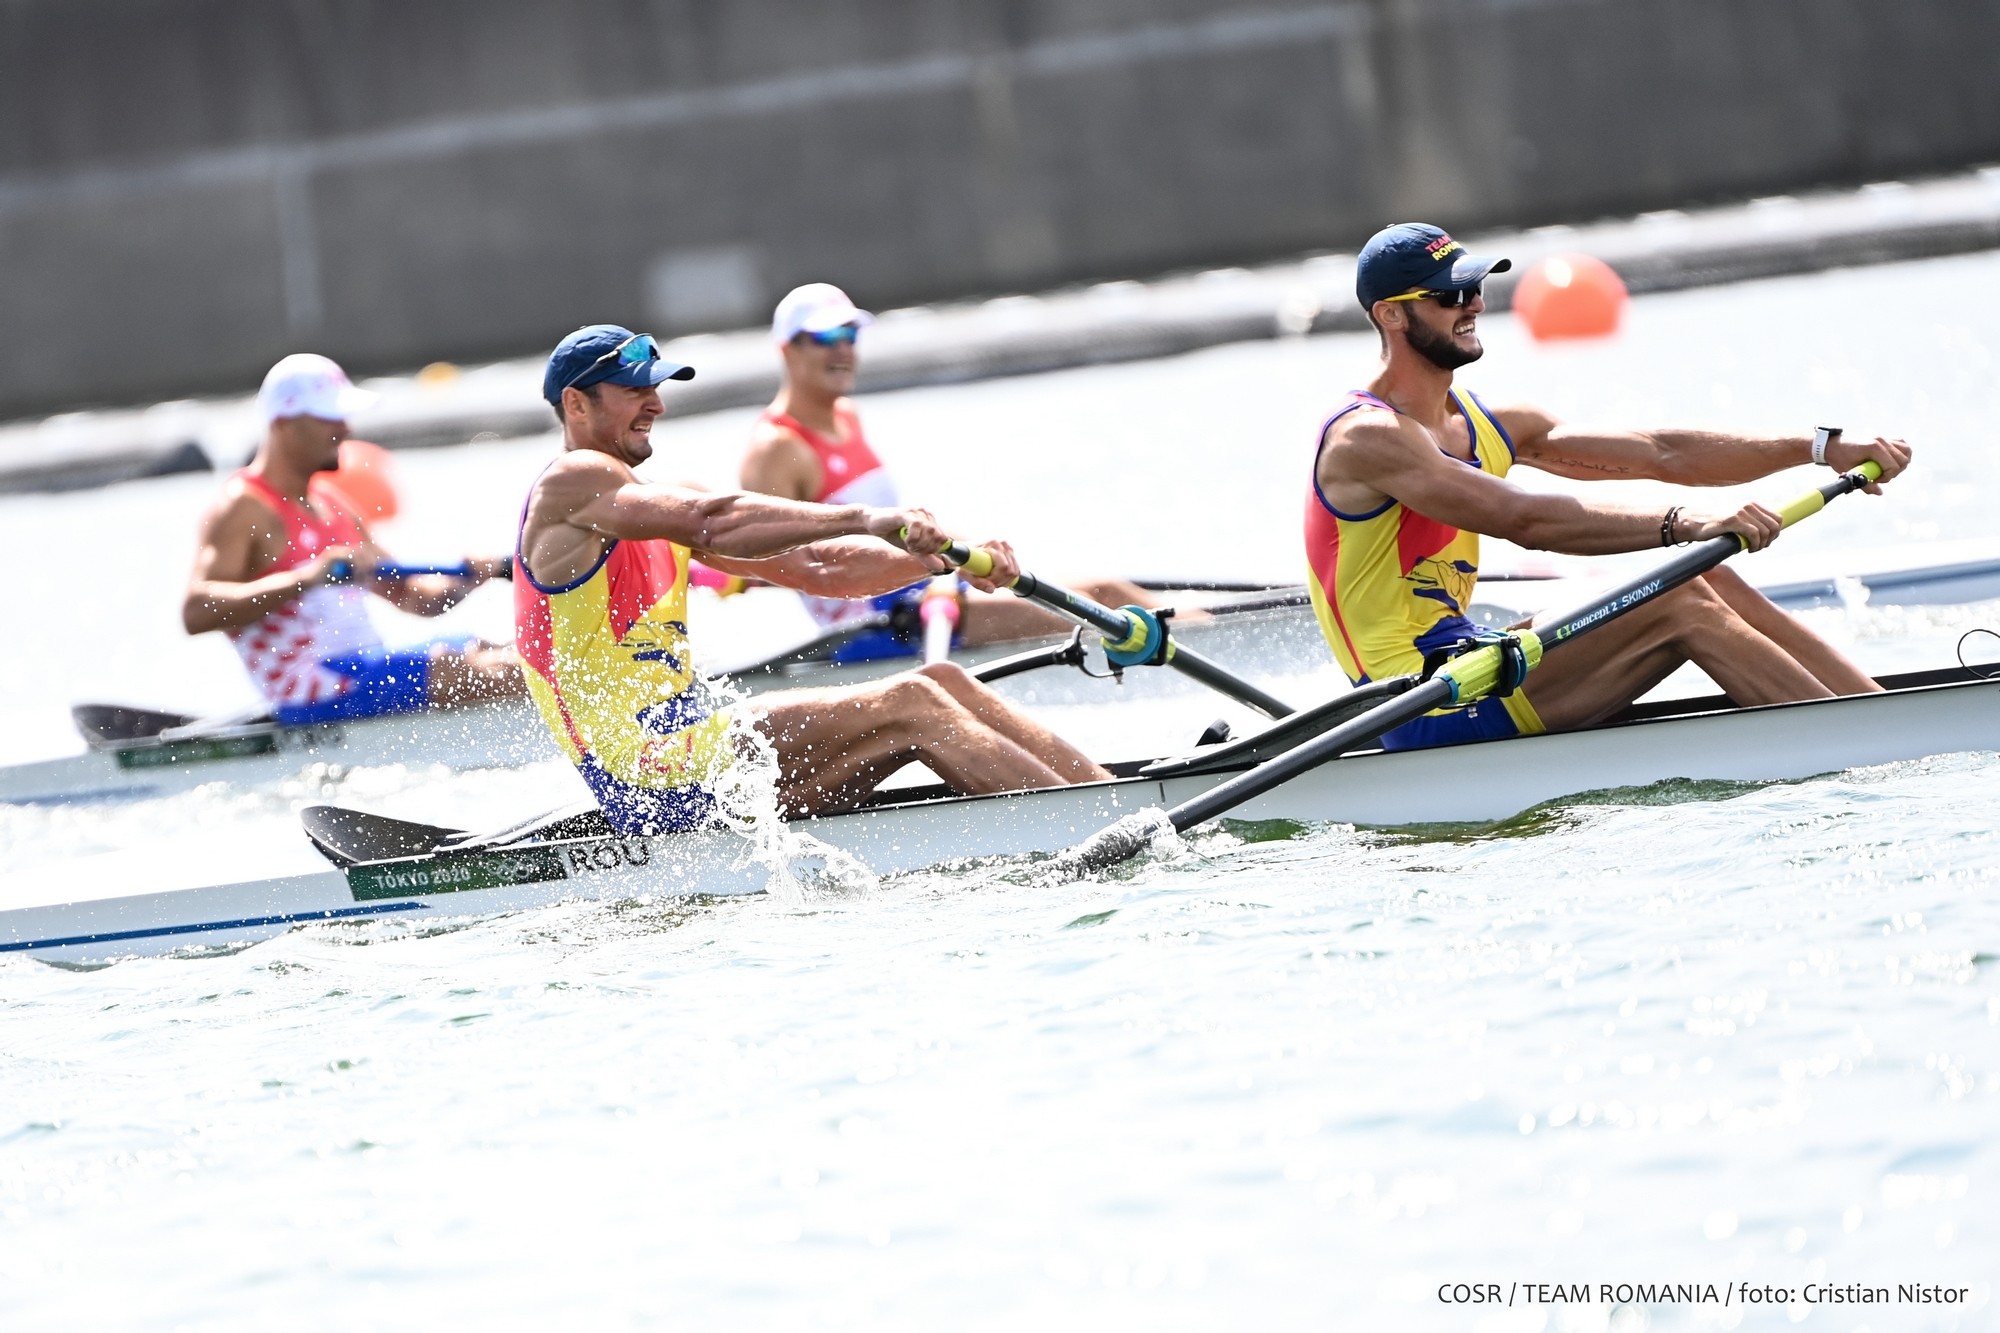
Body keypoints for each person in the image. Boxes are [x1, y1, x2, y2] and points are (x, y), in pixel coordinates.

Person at [1307, 223, 1913, 750]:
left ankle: (1881, 715)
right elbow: (1523, 519)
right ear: (1391, 314)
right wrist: (1685, 523)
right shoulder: (1368, 438)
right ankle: (1869, 751)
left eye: (1476, 288)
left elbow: (1662, 452)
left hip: (1472, 659)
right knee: (1678, 598)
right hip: (1416, 703)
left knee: (1708, 577)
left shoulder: (1489, 423)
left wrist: (1819, 447)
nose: (1475, 305)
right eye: (1450, 295)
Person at [515, 324, 1109, 832]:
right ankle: (1093, 830)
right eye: (634, 390)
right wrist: (865, 517)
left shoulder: (655, 505)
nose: (656, 405)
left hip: (695, 754)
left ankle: (1111, 804)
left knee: (944, 679)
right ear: (576, 404)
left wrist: (945, 561)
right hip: (645, 775)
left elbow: (820, 568)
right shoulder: (572, 481)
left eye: (655, 389)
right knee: (915, 700)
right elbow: (713, 521)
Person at [740, 283, 1163, 658]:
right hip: (880, 621)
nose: (843, 350)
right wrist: (943, 563)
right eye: (826, 337)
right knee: (1101, 609)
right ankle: (1176, 645)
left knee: (1108, 590)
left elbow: (898, 529)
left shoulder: (846, 416)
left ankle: (1183, 633)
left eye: (850, 334)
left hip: (921, 583)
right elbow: (788, 566)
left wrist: (967, 549)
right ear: (787, 349)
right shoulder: (774, 449)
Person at [183, 354, 522, 724]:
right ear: (284, 424)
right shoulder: (243, 506)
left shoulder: (333, 505)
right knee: (475, 667)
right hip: (307, 689)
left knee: (500, 648)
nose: (344, 428)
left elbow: (413, 596)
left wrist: (471, 578)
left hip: (364, 673)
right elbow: (196, 611)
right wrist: (309, 577)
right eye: (329, 416)